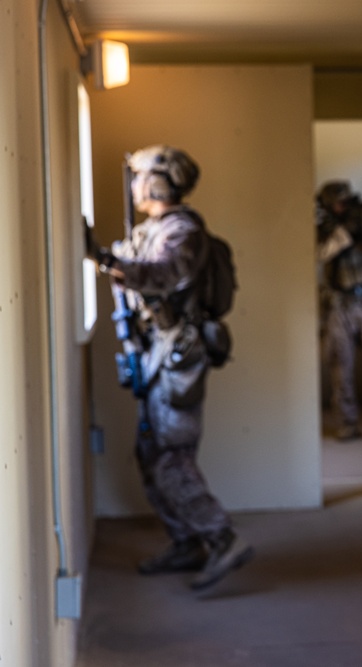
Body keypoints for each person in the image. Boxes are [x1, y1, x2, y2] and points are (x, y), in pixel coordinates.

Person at [88, 145, 254, 591]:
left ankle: (222, 537)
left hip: (178, 356)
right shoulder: (152, 230)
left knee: (171, 458)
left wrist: (107, 260)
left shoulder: (182, 232)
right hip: (154, 353)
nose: (135, 185)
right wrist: (112, 261)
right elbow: (135, 273)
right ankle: (187, 541)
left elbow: (162, 275)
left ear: (160, 182)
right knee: (150, 455)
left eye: (141, 176)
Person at [315, 180, 362, 439]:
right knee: (340, 367)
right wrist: (345, 233)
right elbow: (322, 253)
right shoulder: (326, 228)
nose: (340, 207)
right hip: (341, 303)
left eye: (344, 202)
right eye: (335, 203)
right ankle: (346, 423)